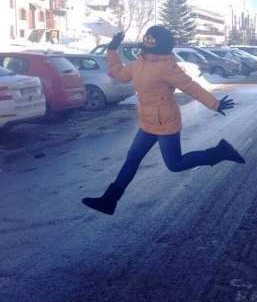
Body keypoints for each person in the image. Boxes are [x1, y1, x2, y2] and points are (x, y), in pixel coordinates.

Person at [82, 25, 245, 215]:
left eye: (150, 40)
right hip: (147, 122)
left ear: (159, 45)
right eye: (146, 39)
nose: (146, 43)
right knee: (132, 158)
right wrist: (112, 50)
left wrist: (214, 104)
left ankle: (219, 152)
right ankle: (109, 200)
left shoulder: (167, 67)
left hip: (166, 122)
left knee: (174, 165)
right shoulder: (138, 63)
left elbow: (191, 87)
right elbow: (119, 73)